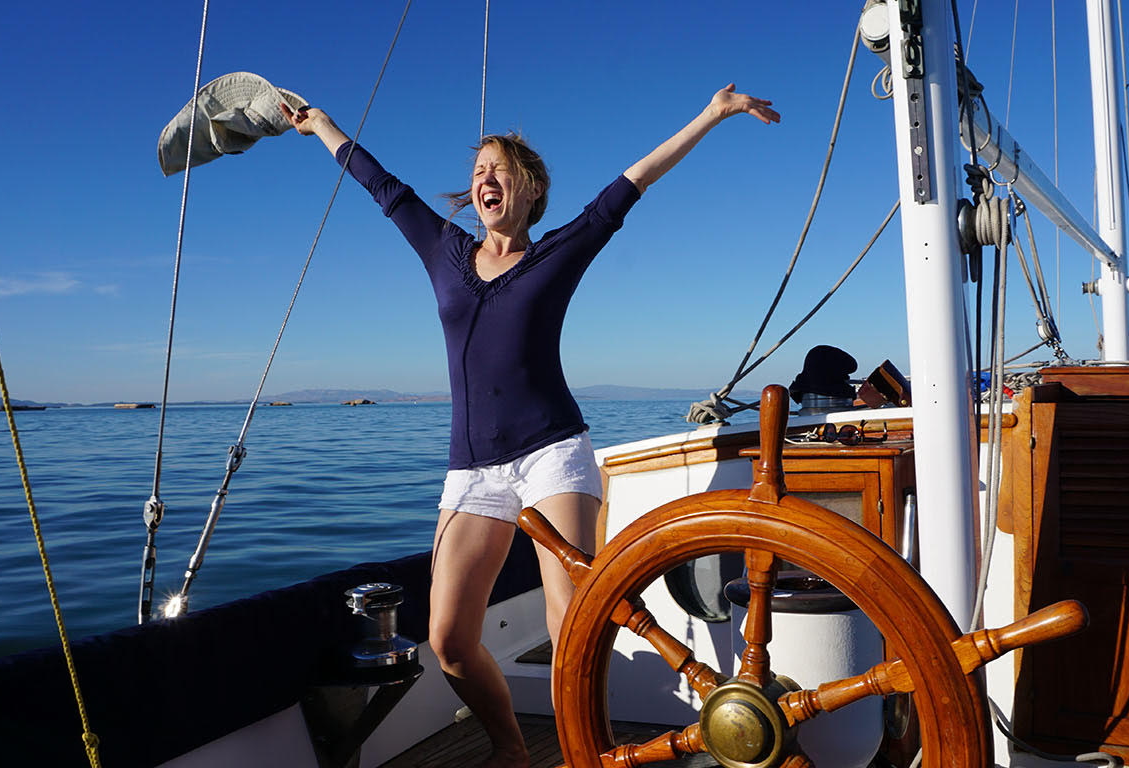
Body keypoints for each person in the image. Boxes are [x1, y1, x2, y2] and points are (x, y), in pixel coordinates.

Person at [282, 84, 777, 768]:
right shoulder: (445, 251)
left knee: (571, 623)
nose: (484, 179)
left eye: (498, 170)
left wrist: (712, 114)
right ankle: (512, 747)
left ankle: (584, 751)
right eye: (477, 172)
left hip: (554, 454)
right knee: (450, 639)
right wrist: (325, 127)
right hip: (474, 469)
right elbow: (383, 187)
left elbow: (630, 184)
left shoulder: (555, 255)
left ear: (530, 187)